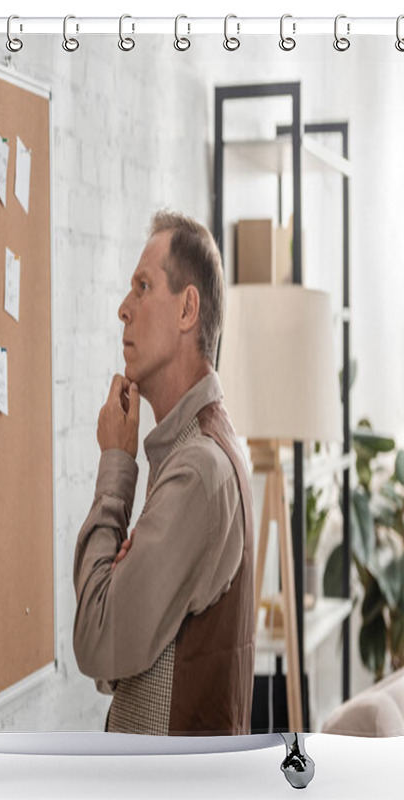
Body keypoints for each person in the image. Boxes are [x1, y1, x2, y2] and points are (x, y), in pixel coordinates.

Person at [72, 210, 255, 736]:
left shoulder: (196, 471)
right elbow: (125, 653)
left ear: (186, 309)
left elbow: (98, 639)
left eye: (142, 287)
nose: (122, 310)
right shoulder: (191, 451)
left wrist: (115, 464)